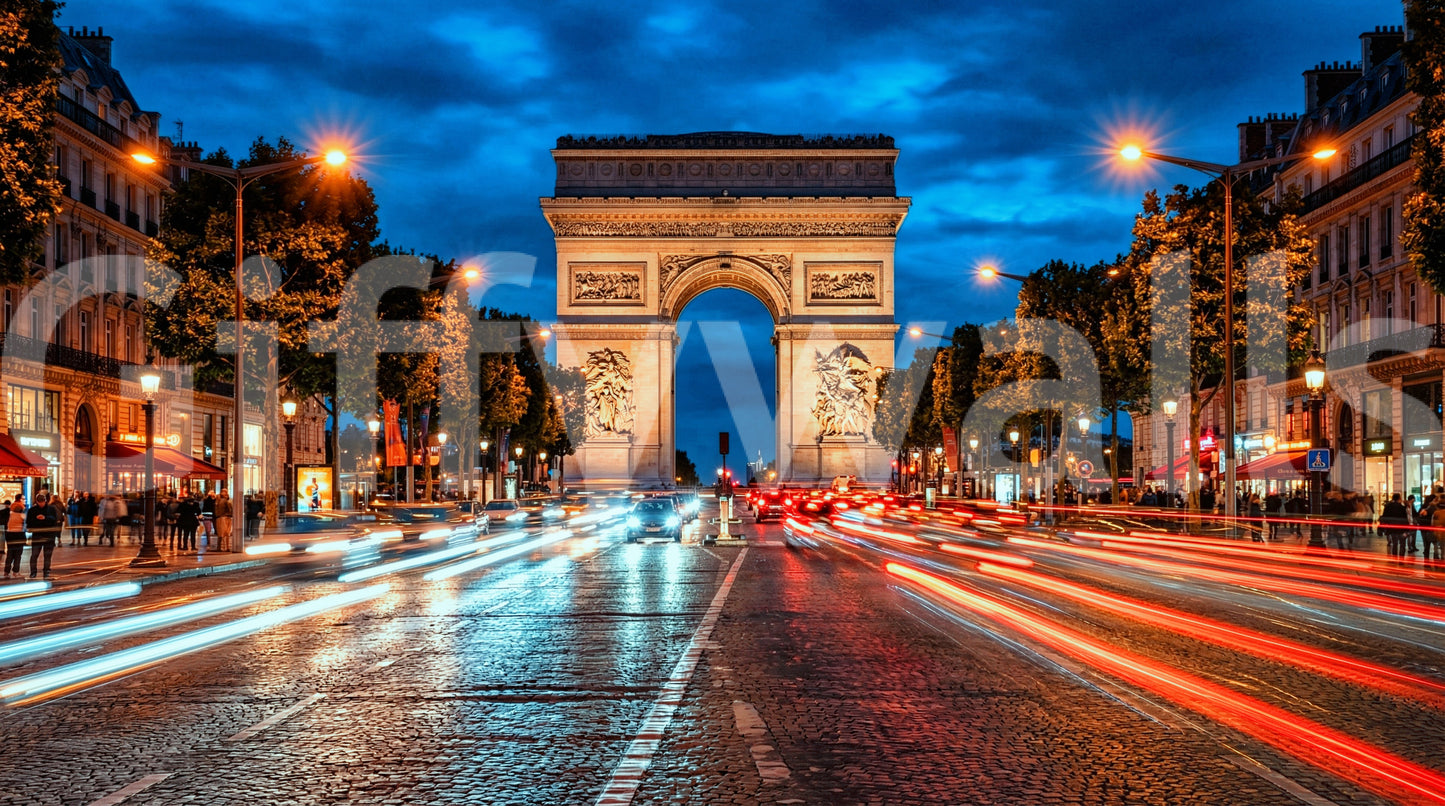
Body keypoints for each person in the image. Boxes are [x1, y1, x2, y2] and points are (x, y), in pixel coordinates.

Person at [26, 493, 62, 579]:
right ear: (37, 501)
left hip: (49, 536)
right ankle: (33, 572)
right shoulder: (32, 510)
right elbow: (29, 523)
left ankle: (46, 571)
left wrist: (45, 518)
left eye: (42, 502)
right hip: (37, 536)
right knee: (34, 555)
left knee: (47, 555)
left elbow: (55, 520)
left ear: (45, 501)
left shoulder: (51, 509)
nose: (41, 504)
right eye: (39, 502)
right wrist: (37, 519)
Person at [1380, 493, 1410, 557]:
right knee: (1402, 544)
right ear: (1399, 498)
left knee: (1394, 543)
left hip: (1392, 528)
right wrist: (1407, 529)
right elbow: (1405, 519)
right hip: (1401, 529)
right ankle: (1401, 559)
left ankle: (1394, 557)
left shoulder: (1388, 506)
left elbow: (1385, 517)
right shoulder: (1402, 507)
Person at [4, 498, 26, 579]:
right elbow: (25, 527)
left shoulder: (10, 515)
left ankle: (6, 571)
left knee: (10, 555)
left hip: (10, 536)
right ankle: (15, 571)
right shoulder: (22, 516)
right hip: (19, 536)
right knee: (18, 555)